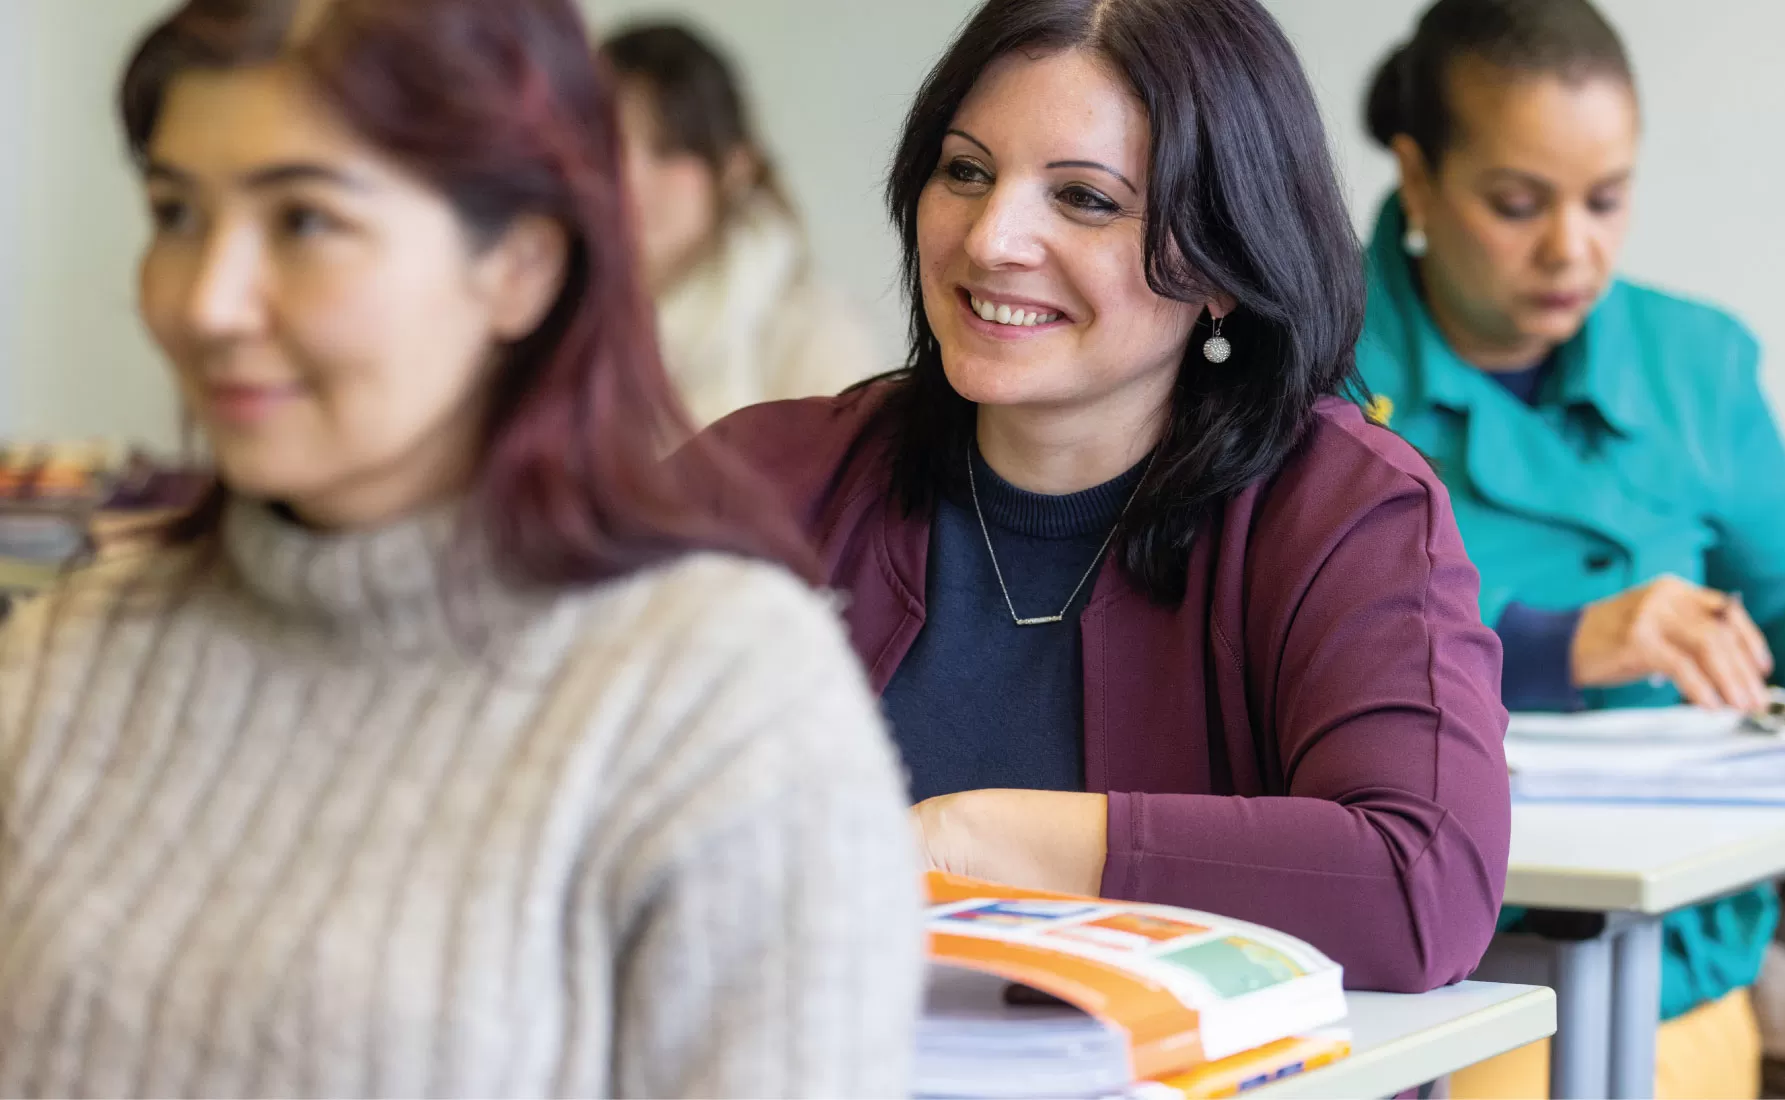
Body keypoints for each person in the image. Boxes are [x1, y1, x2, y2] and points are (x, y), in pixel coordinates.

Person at [0, 0, 921, 1096]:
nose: (208, 302)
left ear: (523, 263)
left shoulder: (718, 701)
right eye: (174, 211)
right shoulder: (65, 662)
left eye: (302, 221)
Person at [704, 0, 1511, 994]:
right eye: (966, 171)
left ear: (1220, 262)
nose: (994, 238)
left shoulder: (1343, 510)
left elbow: (1420, 884)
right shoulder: (764, 478)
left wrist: (976, 836)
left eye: (1084, 198)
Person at [1354, 0, 1785, 1094]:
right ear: (1419, 178)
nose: (1574, 248)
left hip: (1669, 957)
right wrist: (1561, 639)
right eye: (1518, 204)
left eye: (1606, 200)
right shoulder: (1302, 354)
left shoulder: (1695, 362)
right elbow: (1267, 647)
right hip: (1402, 957)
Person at [602, 22, 883, 429]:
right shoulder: (542, 321)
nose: (628, 178)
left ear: (735, 168)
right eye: (606, 147)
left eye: (667, 149)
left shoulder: (813, 337)